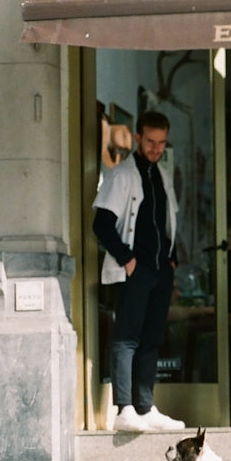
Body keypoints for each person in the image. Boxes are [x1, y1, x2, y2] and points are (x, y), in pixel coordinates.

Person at [92, 110, 186, 432]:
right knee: (127, 338)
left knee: (152, 338)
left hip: (159, 271)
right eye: (150, 141)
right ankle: (125, 409)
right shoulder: (122, 175)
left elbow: (167, 223)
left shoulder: (163, 176)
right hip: (135, 271)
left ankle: (145, 407)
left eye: (161, 143)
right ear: (137, 138)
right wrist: (128, 260)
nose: (156, 148)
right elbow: (102, 224)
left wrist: (171, 260)